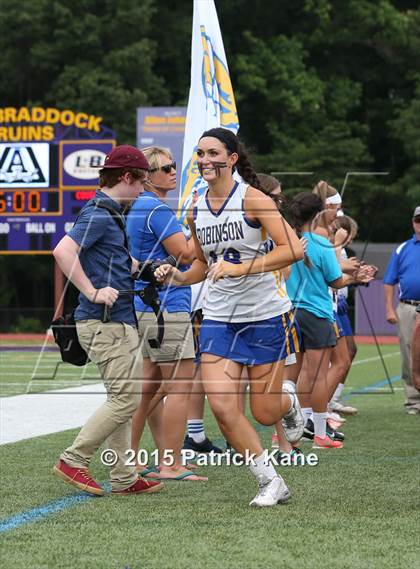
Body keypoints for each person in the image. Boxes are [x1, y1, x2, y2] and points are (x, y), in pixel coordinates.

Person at [155, 127, 305, 507]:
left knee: (264, 410)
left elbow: (292, 251)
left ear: (232, 159)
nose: (204, 160)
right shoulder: (196, 208)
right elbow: (202, 266)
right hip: (219, 317)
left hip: (266, 315)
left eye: (213, 153)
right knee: (223, 407)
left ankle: (288, 402)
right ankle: (269, 481)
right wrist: (176, 276)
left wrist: (244, 268)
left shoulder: (253, 199)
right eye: (200, 153)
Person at [52, 145, 163, 495]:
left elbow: (120, 261)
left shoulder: (109, 211)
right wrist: (92, 291)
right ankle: (73, 459)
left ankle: (124, 477)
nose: (144, 189)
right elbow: (63, 250)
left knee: (123, 398)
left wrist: (148, 271)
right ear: (126, 177)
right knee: (125, 399)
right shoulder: (100, 212)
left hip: (116, 320)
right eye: (142, 181)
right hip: (104, 321)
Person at [126, 145, 207, 481]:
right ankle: (171, 464)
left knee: (148, 390)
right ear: (148, 176)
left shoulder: (137, 206)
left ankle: (130, 458)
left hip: (146, 306)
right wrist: (196, 222)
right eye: (166, 168)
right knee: (178, 388)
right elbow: (186, 256)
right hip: (166, 307)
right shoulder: (156, 209)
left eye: (174, 166)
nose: (174, 172)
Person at [285, 193, 374, 449]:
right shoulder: (321, 244)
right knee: (319, 376)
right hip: (317, 313)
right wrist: (357, 278)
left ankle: (294, 430)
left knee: (297, 376)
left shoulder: (291, 240)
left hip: (291, 312)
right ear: (317, 215)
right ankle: (321, 434)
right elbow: (335, 281)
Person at [383, 206, 420, 415]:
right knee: (408, 353)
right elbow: (389, 281)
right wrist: (389, 308)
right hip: (408, 307)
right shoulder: (403, 248)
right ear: (413, 222)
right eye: (418, 220)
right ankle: (414, 401)